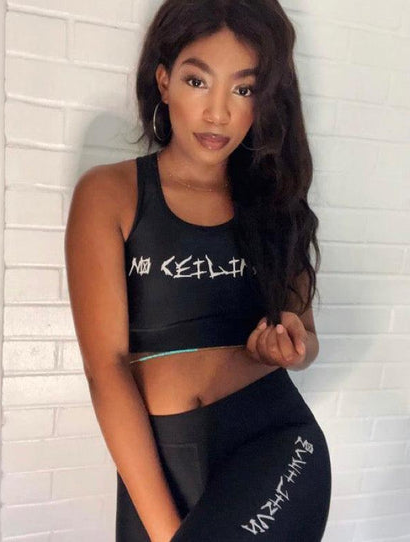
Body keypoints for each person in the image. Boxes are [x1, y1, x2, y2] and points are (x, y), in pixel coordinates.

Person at [65, 0, 332, 540]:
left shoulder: (275, 204)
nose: (218, 113)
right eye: (197, 81)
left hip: (274, 443)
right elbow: (106, 369)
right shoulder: (110, 193)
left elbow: (305, 340)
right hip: (157, 459)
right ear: (163, 81)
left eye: (243, 89)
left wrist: (289, 345)